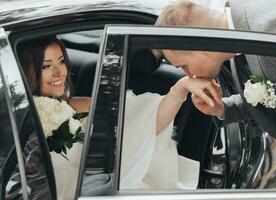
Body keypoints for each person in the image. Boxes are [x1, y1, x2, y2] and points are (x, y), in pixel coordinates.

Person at [19, 36, 221, 198]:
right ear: (30, 71)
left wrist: (183, 86)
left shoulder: (82, 106)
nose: (58, 72)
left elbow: (148, 122)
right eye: (46, 66)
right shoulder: (15, 118)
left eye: (61, 62)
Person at [154, 0, 276, 188]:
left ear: (198, 46)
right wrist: (223, 108)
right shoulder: (238, 49)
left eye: (183, 66)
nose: (188, 75)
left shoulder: (272, 26)